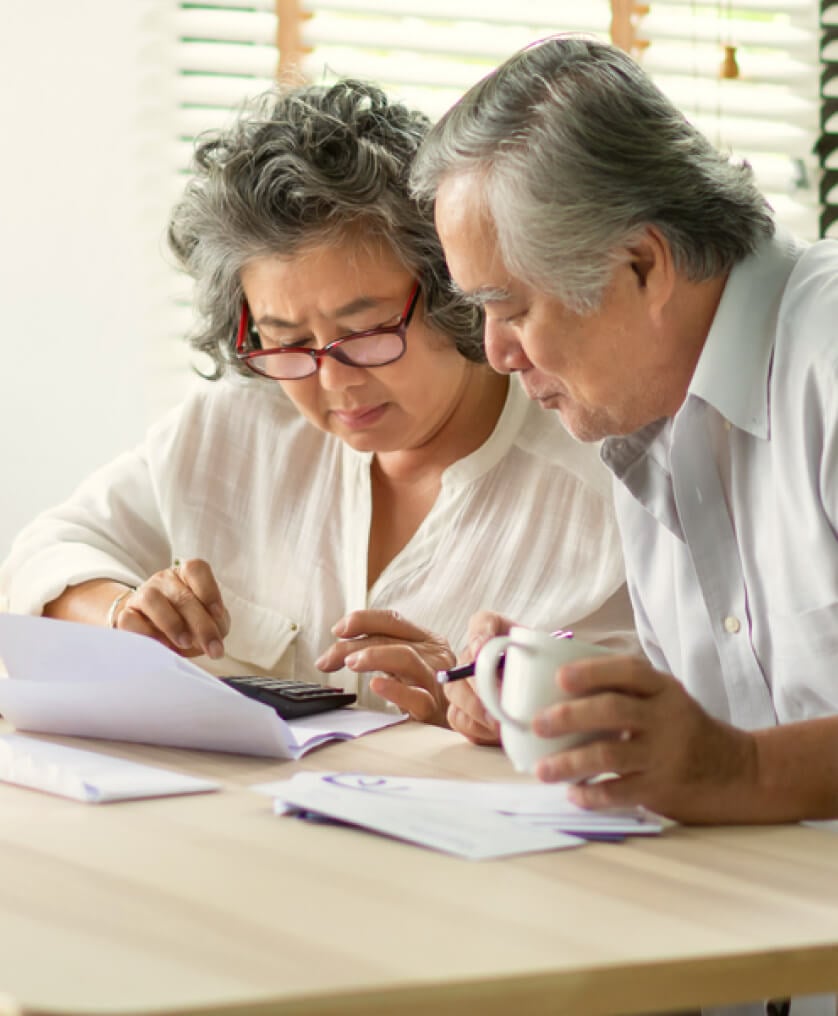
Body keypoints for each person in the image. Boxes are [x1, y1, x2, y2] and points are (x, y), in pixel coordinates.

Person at [0, 78, 634, 728]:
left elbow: (647, 723)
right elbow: (49, 550)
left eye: (365, 334)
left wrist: (484, 712)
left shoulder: (601, 492)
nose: (333, 382)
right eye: (288, 341)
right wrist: (123, 613)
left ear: (452, 289)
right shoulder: (236, 426)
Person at [410, 31, 838, 825]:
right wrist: (561, 690)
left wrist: (740, 769)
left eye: (511, 308)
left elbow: (740, 764)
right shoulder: (645, 416)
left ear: (642, 265)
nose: (496, 353)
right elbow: (748, 715)